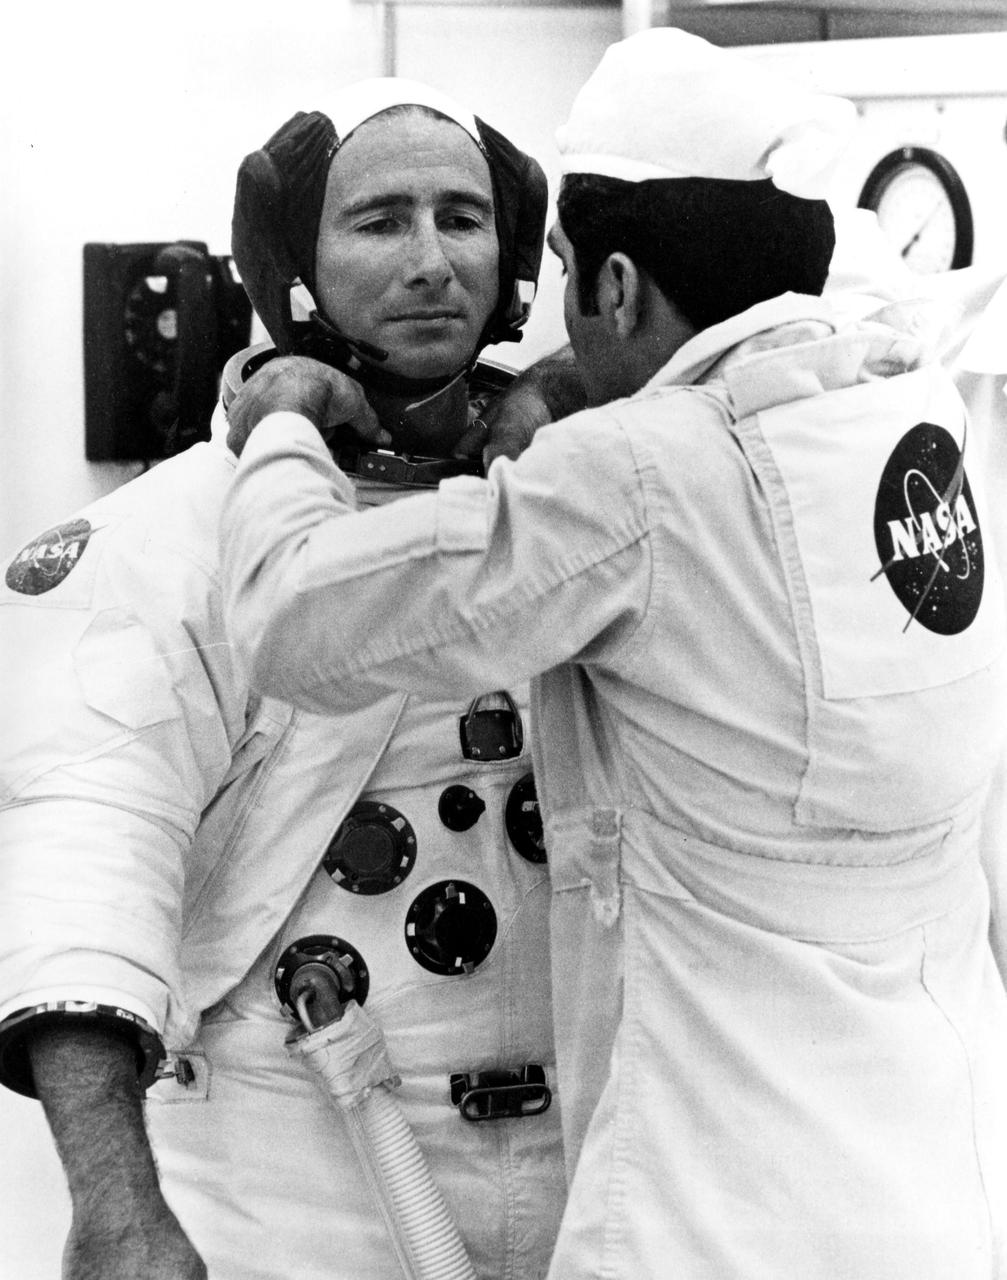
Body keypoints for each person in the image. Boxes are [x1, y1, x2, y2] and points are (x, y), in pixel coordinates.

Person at [218, 29, 1007, 1280]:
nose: (433, 263)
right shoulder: (910, 414)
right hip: (930, 1180)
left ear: (620, 286)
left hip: (711, 1208)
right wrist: (569, 395)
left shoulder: (633, 480)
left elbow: (287, 616)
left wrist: (278, 423)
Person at [0, 78, 572, 1280]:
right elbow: (86, 859)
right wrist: (116, 1204)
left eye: (462, 218)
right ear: (292, 262)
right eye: (380, 222)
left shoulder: (568, 502)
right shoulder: (176, 532)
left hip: (581, 1151)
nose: (431, 262)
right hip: (294, 1163)